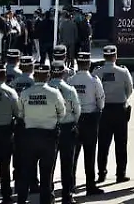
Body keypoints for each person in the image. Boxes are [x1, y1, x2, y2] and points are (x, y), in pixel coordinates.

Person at [16, 62, 66, 204]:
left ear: (35, 75)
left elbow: (20, 114)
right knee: (46, 175)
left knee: (26, 172)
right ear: (48, 76)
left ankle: (21, 200)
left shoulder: (25, 93)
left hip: (29, 136)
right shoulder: (54, 93)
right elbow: (62, 114)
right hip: (48, 137)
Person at [70, 51, 107, 195]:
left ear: (78, 64)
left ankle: (71, 184)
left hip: (75, 118)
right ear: (89, 64)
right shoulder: (93, 80)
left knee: (73, 154)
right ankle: (90, 185)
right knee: (89, 154)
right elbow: (101, 101)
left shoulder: (71, 80)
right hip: (90, 118)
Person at [95, 44, 134, 184]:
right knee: (121, 143)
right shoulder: (123, 72)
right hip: (119, 109)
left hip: (104, 110)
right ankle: (120, 173)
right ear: (115, 56)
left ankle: (101, 173)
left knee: (103, 144)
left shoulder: (97, 72)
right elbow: (129, 90)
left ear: (104, 56)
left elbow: (96, 93)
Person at [0, 61, 22, 204]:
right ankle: (6, 195)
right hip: (5, 131)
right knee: (4, 165)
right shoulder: (10, 92)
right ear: (3, 76)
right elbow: (18, 113)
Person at [49, 61, 81, 203]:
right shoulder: (69, 90)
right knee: (67, 163)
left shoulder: (46, 89)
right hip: (67, 128)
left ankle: (48, 193)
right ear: (63, 73)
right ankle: (67, 195)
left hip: (49, 128)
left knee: (48, 163)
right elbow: (77, 111)